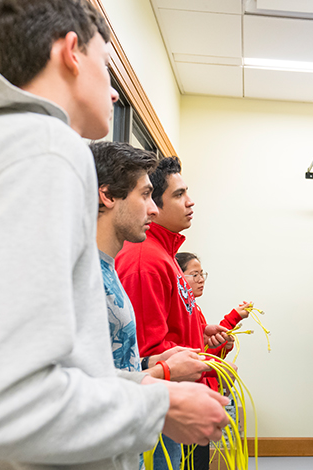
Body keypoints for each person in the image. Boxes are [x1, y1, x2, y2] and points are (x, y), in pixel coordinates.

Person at [0, 1, 228, 469]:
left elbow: (13, 379)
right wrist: (158, 407)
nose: (115, 94)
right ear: (70, 53)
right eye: (105, 64)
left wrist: (139, 386)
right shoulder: (43, 151)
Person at [91, 141, 213, 470]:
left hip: (140, 410)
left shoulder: (143, 258)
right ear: (107, 196)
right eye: (145, 195)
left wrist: (154, 360)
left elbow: (118, 358)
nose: (153, 210)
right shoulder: (141, 259)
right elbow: (86, 380)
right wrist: (165, 370)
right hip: (140, 412)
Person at [115, 157, 234, 470]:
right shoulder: (144, 259)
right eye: (179, 194)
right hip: (158, 400)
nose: (190, 202)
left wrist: (200, 331)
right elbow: (146, 350)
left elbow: (167, 322)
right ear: (154, 203)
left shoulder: (163, 255)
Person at [175, 252, 252, 358]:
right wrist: (232, 319)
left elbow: (208, 355)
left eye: (201, 274)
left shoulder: (195, 309)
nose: (201, 280)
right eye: (195, 275)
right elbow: (199, 358)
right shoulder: (181, 312)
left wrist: (224, 346)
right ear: (178, 277)